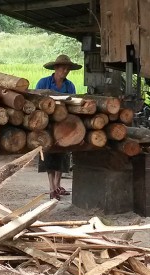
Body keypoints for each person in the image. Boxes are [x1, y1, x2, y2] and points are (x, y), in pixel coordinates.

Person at [36, 54, 82, 200]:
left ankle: (57, 184)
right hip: (48, 123)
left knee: (63, 153)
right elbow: (36, 100)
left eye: (68, 69)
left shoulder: (70, 85)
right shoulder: (44, 83)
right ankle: (51, 187)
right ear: (56, 68)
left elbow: (74, 104)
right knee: (49, 153)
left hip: (64, 124)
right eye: (63, 68)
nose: (65, 71)